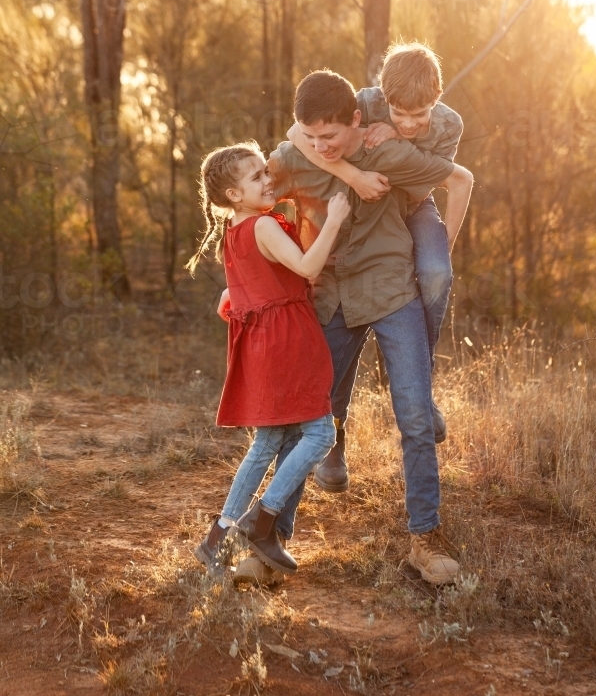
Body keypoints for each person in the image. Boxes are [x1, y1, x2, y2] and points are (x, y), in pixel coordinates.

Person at [259, 70, 473, 587]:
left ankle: (425, 537)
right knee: (310, 415)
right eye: (310, 137)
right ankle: (272, 541)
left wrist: (442, 249)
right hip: (331, 298)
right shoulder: (297, 158)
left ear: (358, 119)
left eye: (329, 137)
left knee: (416, 416)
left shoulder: (390, 154)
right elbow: (251, 205)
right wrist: (244, 281)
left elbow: (457, 178)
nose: (320, 147)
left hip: (392, 291)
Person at [288, 43, 467, 453]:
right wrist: (353, 175)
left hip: (413, 204)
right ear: (383, 97)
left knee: (437, 271)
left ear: (436, 100)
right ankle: (333, 436)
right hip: (365, 206)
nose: (406, 122)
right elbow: (298, 133)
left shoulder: (449, 125)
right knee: (344, 306)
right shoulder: (366, 102)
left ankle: (415, 375)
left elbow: (427, 182)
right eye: (397, 113)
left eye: (417, 116)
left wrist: (442, 245)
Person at [187, 141, 350, 580]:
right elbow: (306, 267)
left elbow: (250, 284)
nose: (267, 180)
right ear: (234, 195)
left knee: (267, 443)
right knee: (318, 434)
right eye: (256, 176)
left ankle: (217, 537)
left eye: (266, 172)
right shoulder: (261, 226)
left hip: (261, 342)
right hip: (288, 339)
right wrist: (333, 219)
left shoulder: (235, 230)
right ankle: (264, 520)